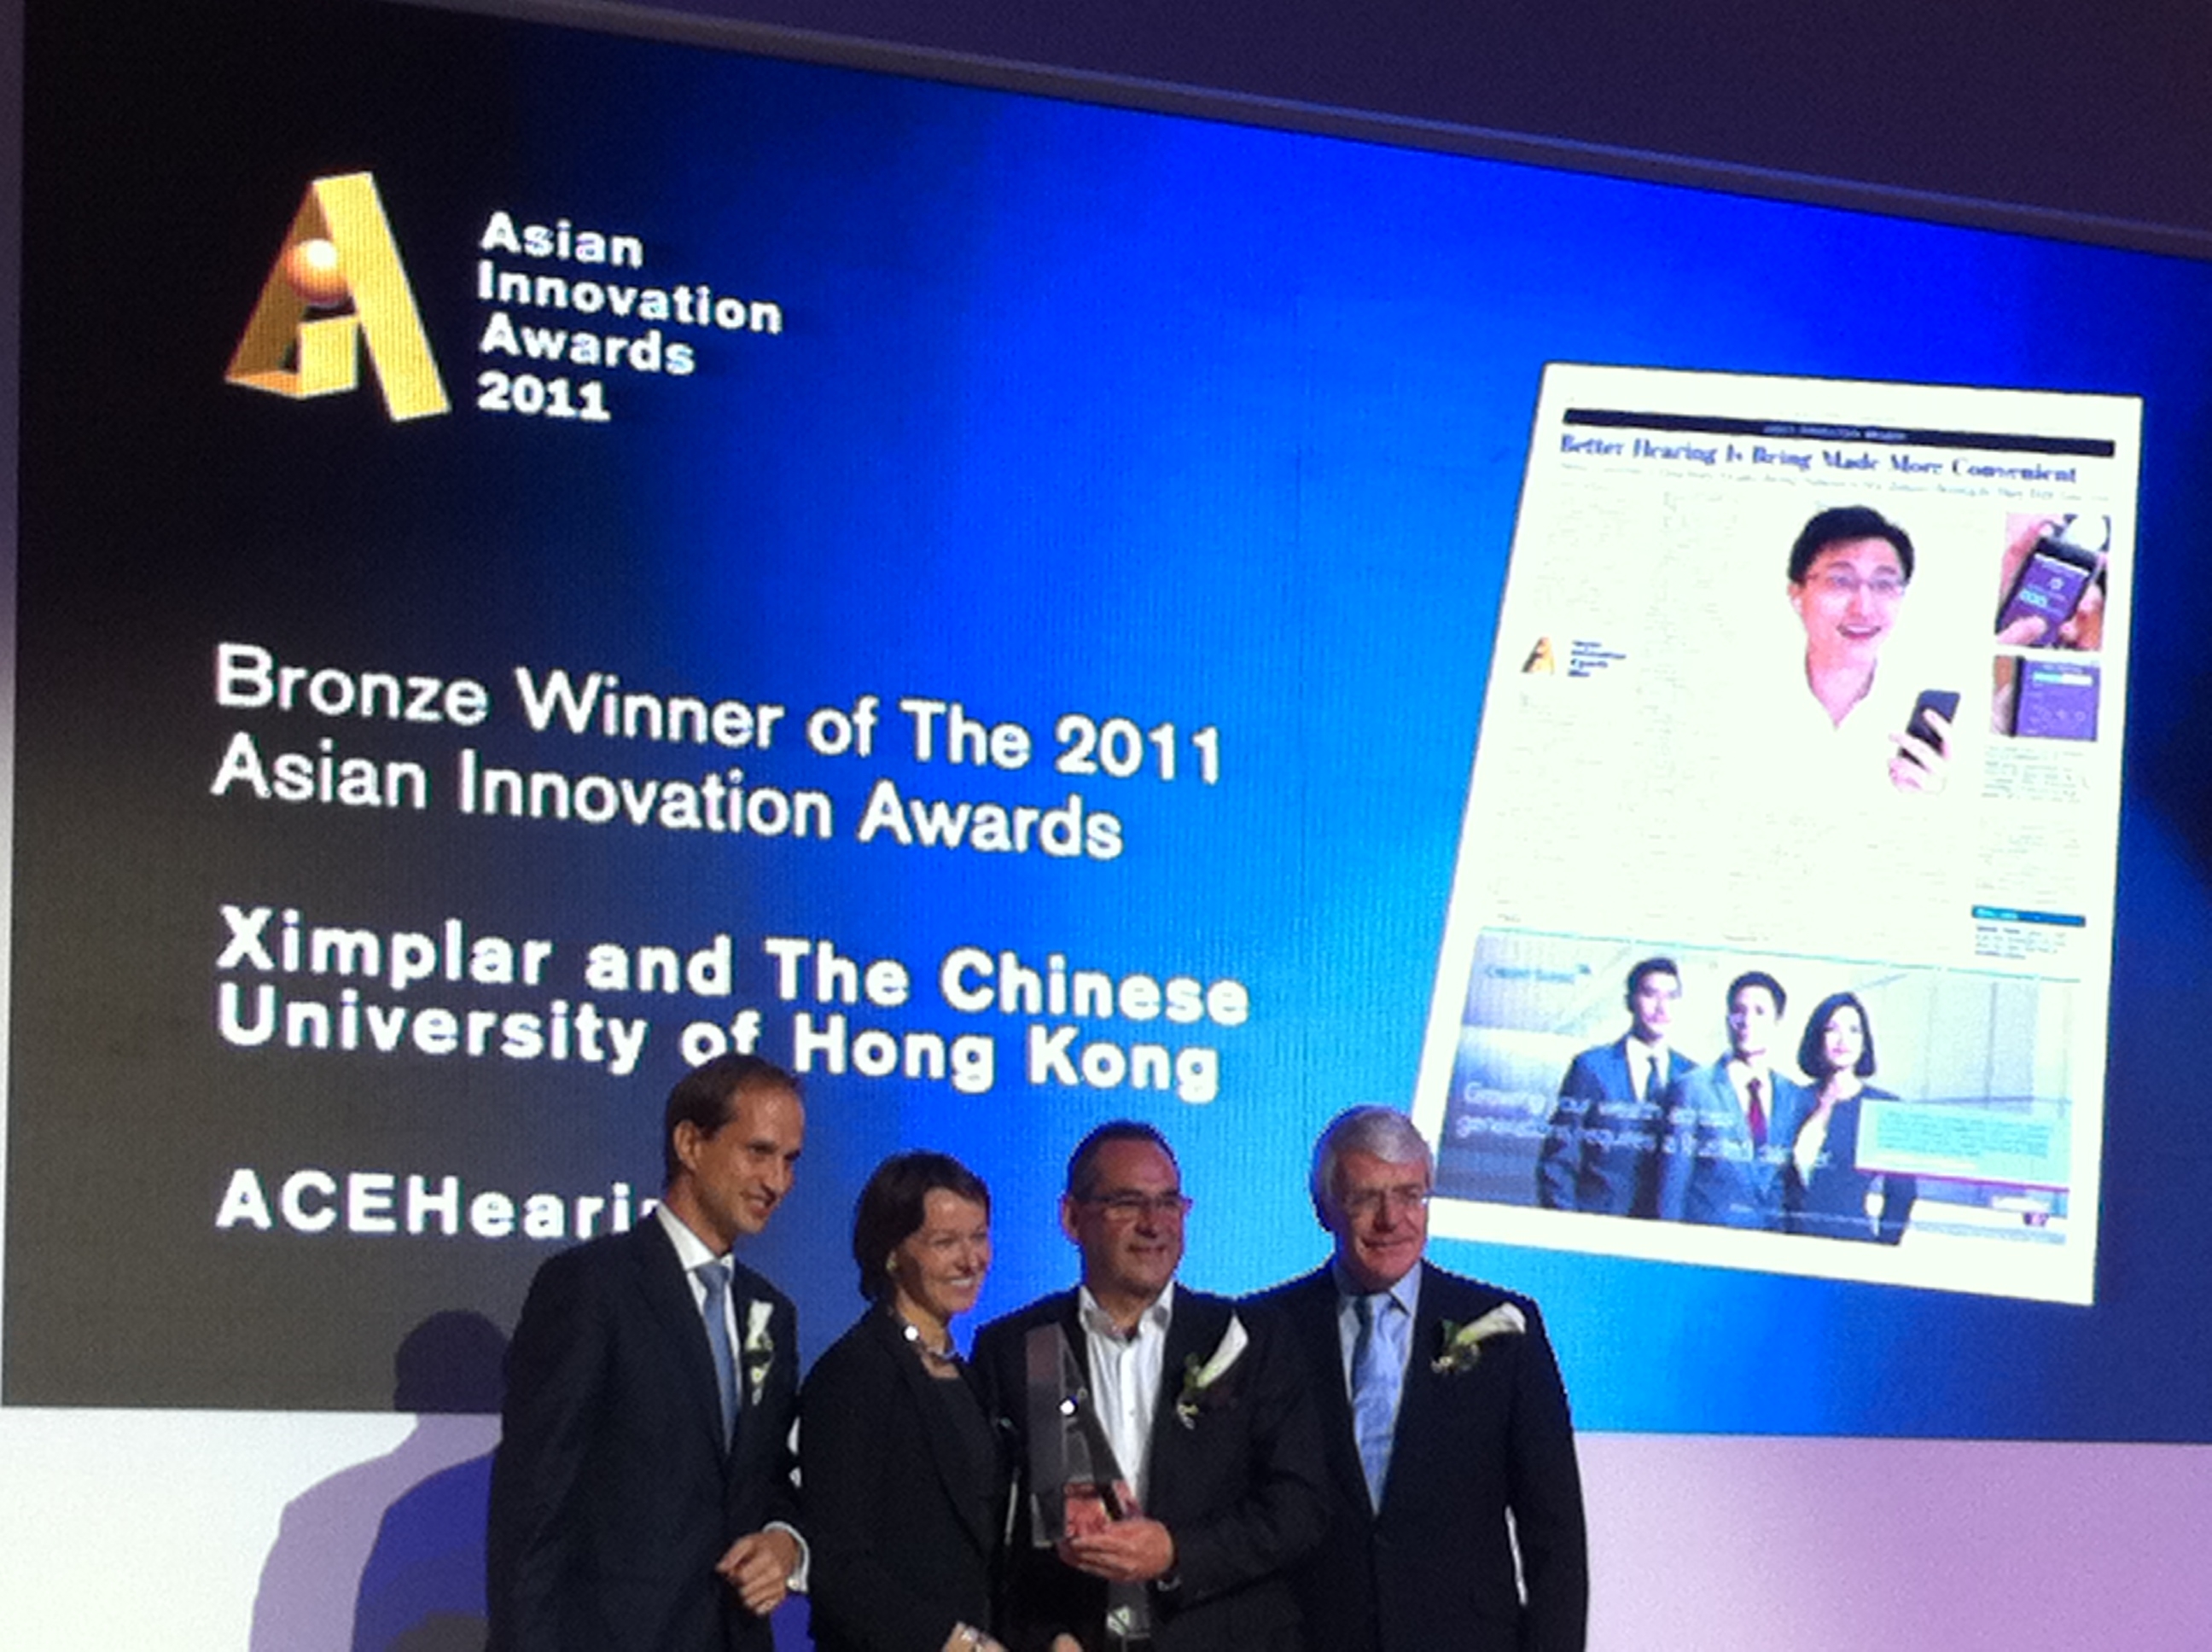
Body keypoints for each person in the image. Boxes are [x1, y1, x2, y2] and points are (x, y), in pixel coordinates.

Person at [486, 1054, 808, 1652]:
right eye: (758, 1152)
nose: (777, 1182)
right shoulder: (592, 1287)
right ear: (690, 1142)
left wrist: (785, 1540)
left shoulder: (771, 1313)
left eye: (790, 1161)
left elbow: (767, 1478)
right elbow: (534, 1508)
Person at [972, 1120, 1327, 1652]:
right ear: (1072, 1217)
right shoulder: (1017, 1348)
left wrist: (1176, 1552)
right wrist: (1045, 1636)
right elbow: (993, 1532)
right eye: (1127, 1203)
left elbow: (1301, 1506)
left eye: (1168, 1203)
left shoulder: (1247, 1340)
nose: (1153, 1224)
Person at [1256, 1107, 1586, 1652]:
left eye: (1411, 1195)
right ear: (1324, 1208)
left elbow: (1555, 1533)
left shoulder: (1506, 1330)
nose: (1392, 1219)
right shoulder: (1266, 1330)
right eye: (1366, 1198)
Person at [801, 1151, 1008, 1652]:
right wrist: (954, 1643)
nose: (970, 1260)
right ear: (893, 1253)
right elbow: (840, 1565)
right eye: (945, 1242)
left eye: (978, 1236)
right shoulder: (853, 1375)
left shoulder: (972, 1374)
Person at [1785, 504, 1952, 795]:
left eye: (1884, 584)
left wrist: (1937, 803)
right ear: (1797, 593)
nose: (1863, 608)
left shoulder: (1928, 719)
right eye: (1840, 581)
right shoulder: (1739, 700)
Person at [1536, 956, 1693, 1215]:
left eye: (1671, 997)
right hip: (1597, 1224)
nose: (1662, 1007)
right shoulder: (1591, 1067)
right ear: (1629, 1001)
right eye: (1651, 994)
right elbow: (1558, 1160)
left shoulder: (1692, 1076)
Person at [1653, 971, 1808, 1230]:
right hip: (1707, 1247)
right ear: (1728, 1019)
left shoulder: (1793, 1096)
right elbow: (1672, 1188)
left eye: (1759, 1012)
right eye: (1739, 1011)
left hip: (1771, 1250)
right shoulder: (1692, 1089)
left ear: (1777, 1021)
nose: (1747, 1021)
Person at [1785, 992, 1918, 1244]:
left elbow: (1902, 1193)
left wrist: (1884, 1247)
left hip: (1852, 1249)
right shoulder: (1792, 1101)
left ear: (1865, 1040)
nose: (1843, 1039)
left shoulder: (1885, 1109)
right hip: (1790, 1246)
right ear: (1817, 1038)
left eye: (1854, 1030)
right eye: (1832, 1029)